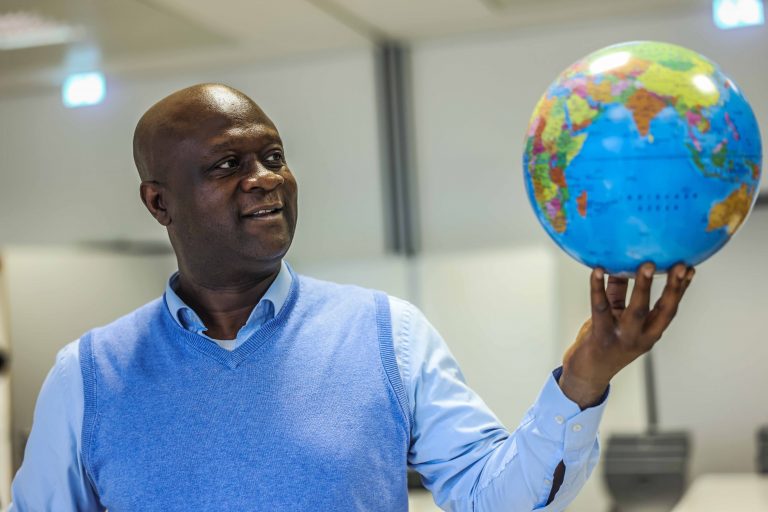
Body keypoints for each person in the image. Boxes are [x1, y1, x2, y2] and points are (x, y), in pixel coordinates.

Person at [10, 83, 694, 511]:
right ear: (159, 203)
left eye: (273, 156)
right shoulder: (90, 375)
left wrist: (582, 381)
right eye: (228, 166)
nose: (264, 179)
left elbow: (495, 497)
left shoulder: (386, 335)